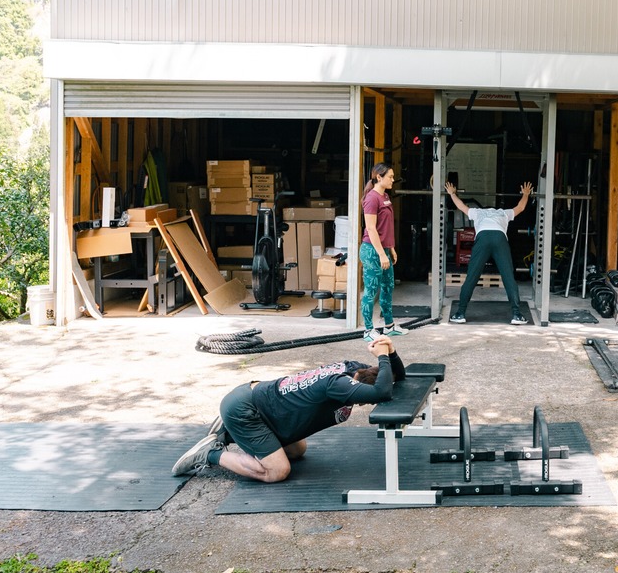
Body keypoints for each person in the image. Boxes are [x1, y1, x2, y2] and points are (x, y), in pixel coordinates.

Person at [171, 337, 406, 481]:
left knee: (297, 451)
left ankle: (229, 431)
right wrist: (383, 356)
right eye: (363, 400)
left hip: (258, 403)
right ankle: (210, 453)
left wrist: (391, 351)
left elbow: (397, 378)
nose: (364, 403)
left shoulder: (355, 370)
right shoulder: (341, 385)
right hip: (246, 408)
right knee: (276, 471)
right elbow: (382, 392)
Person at [444, 180, 533, 326]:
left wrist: (452, 193)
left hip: (483, 238)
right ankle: (517, 315)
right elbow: (521, 207)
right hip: (499, 238)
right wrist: (526, 194)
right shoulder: (503, 213)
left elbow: (460, 206)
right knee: (508, 277)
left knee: (472, 276)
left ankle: (460, 313)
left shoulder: (478, 212)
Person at [361, 162, 406, 342]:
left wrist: (391, 248)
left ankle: (388, 326)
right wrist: (380, 254)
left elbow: (385, 227)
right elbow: (371, 229)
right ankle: (368, 330)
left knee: (388, 287)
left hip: (384, 249)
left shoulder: (385, 196)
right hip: (372, 251)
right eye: (390, 177)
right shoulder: (372, 199)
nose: (393, 180)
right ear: (379, 177)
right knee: (371, 291)